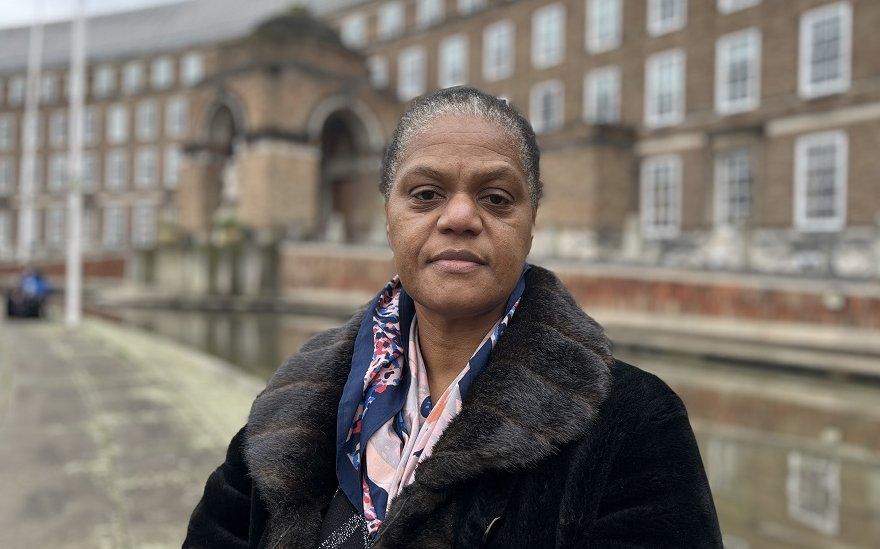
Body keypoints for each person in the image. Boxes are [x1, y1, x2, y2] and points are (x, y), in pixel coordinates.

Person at [183, 87, 722, 548]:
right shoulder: (296, 398)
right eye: (425, 194)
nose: (460, 217)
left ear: (531, 220)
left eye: (496, 197)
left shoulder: (637, 425)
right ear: (388, 214)